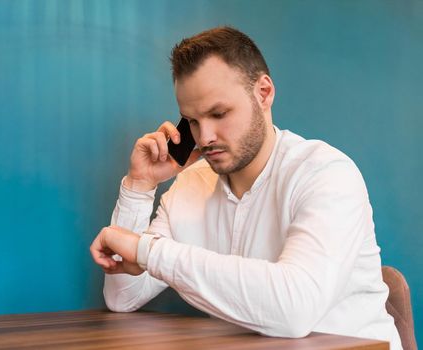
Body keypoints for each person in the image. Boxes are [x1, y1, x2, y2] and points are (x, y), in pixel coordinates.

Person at [89, 26, 401, 348]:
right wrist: (140, 186)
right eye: (193, 121)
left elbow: (294, 311)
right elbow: (123, 297)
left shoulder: (326, 173)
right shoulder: (190, 185)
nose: (205, 136)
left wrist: (148, 251)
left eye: (218, 113)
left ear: (263, 93)